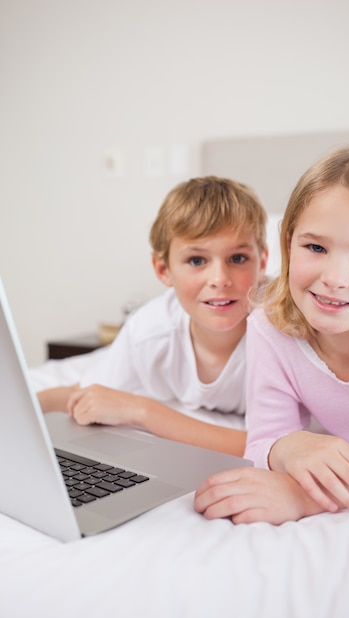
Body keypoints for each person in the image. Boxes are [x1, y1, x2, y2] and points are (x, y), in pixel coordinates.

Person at [194, 146, 349, 524]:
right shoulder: (269, 328)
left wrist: (306, 497)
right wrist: (290, 446)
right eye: (315, 247)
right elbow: (263, 441)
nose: (334, 279)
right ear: (287, 244)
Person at [38, 176, 268, 456]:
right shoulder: (150, 331)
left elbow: (270, 448)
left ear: (263, 262)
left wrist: (142, 411)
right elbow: (85, 395)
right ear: (163, 270)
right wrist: (32, 404)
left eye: (238, 258)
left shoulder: (279, 331)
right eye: (197, 260)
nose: (219, 279)